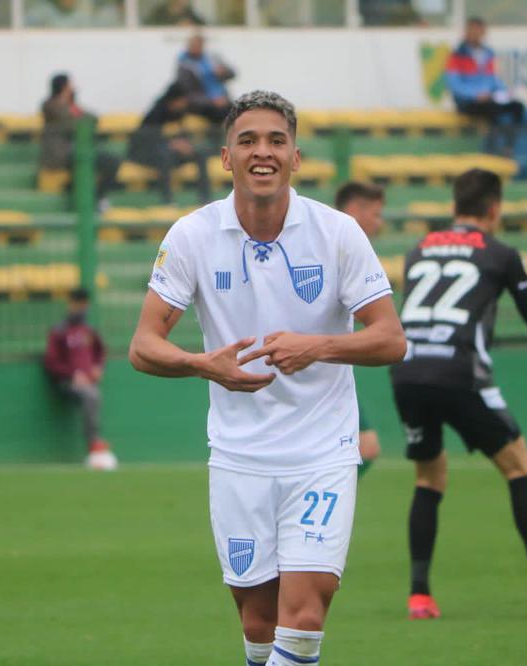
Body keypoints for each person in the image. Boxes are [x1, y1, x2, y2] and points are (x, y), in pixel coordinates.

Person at [129, 91, 405, 666]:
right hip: (238, 457)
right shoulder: (191, 236)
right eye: (248, 140)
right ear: (226, 157)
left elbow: (390, 338)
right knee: (258, 624)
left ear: (296, 157)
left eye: (276, 141)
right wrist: (206, 365)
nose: (263, 152)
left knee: (302, 618)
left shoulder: (337, 234)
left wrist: (318, 345)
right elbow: (144, 345)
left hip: (321, 454)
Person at [390, 168, 527, 621]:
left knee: (429, 478)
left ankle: (419, 596)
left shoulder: (417, 250)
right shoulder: (501, 254)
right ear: (494, 209)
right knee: (520, 467)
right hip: (460, 374)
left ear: (454, 206)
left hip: (406, 372)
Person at [334, 181, 387, 478]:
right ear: (355, 211)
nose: (379, 224)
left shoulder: (345, 248)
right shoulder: (329, 245)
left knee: (366, 446)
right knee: (366, 445)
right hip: (314, 367)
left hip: (326, 366)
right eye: (376, 215)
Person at [43, 288, 116, 471]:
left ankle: (96, 445)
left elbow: (100, 352)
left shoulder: (89, 330)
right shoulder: (59, 331)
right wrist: (72, 374)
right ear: (70, 304)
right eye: (77, 304)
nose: (81, 308)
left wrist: (98, 367)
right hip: (66, 383)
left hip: (87, 383)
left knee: (91, 393)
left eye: (84, 304)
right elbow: (51, 362)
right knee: (92, 395)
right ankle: (94, 442)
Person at [445, 17, 525, 157]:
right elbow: (454, 84)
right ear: (466, 32)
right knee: (492, 109)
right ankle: (491, 149)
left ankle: (508, 147)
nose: (475, 34)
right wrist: (475, 95)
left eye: (478, 31)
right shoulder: (457, 55)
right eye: (472, 30)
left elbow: (493, 80)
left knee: (518, 107)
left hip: (488, 99)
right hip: (467, 102)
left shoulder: (488, 54)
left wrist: (504, 92)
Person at [40, 73, 122, 208]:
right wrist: (76, 113)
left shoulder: (72, 105)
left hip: (78, 150)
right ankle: (87, 196)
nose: (73, 87)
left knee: (112, 161)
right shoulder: (50, 105)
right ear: (63, 86)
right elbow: (70, 122)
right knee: (93, 164)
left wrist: (75, 109)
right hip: (60, 153)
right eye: (70, 84)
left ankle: (97, 195)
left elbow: (93, 119)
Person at [127, 82, 211, 205]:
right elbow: (148, 140)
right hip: (146, 155)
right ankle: (167, 199)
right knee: (164, 154)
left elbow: (181, 134)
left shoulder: (179, 113)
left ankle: (205, 197)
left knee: (200, 153)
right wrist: (173, 143)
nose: (184, 104)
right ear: (174, 100)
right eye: (182, 100)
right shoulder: (156, 113)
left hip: (172, 153)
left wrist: (186, 144)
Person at [176, 34, 236, 123]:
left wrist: (223, 72)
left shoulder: (212, 59)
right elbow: (188, 92)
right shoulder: (184, 65)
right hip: (202, 104)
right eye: (194, 45)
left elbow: (232, 74)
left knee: (236, 112)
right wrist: (211, 101)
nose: (197, 47)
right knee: (221, 114)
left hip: (222, 99)